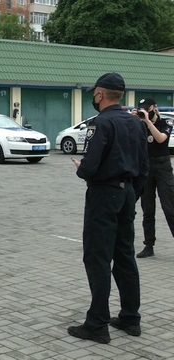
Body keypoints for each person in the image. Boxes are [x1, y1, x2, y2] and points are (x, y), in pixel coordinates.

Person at [68, 73, 149, 344]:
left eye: (95, 93)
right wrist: (131, 194)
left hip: (104, 195)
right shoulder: (135, 123)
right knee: (125, 256)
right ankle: (130, 317)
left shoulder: (101, 123)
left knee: (97, 257)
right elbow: (144, 167)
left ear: (100, 95)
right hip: (127, 194)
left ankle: (97, 324)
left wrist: (83, 171)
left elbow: (90, 166)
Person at [132, 97, 174, 258]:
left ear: (154, 107)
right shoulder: (140, 125)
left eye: (147, 108)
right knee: (147, 210)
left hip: (163, 168)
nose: (145, 111)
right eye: (143, 109)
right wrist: (134, 120)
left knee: (169, 208)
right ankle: (149, 245)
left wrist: (149, 122)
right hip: (146, 167)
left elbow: (161, 139)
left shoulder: (166, 123)